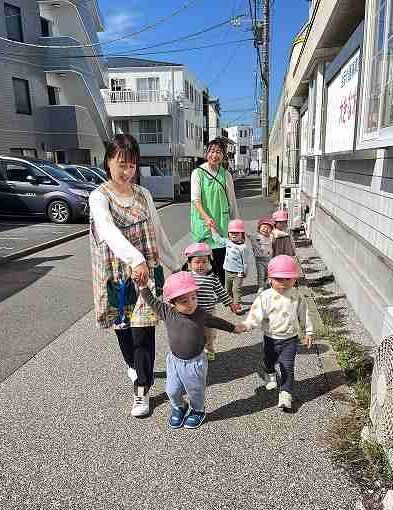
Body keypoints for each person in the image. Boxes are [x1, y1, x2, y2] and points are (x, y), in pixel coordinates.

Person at [89, 134, 180, 418]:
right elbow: (106, 230)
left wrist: (175, 264)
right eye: (121, 164)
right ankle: (134, 365)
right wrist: (134, 258)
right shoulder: (99, 196)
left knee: (143, 331)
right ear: (108, 162)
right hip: (117, 276)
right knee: (124, 329)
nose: (126, 170)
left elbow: (157, 232)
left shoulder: (144, 195)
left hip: (146, 276)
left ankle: (142, 388)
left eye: (131, 165)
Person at [138, 272, 245, 429]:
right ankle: (180, 406)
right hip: (174, 361)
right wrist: (142, 286)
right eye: (184, 301)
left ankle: (198, 410)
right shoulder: (167, 312)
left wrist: (234, 328)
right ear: (172, 302)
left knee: (195, 391)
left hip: (195, 362)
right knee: (172, 390)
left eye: (194, 298)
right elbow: (152, 301)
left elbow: (216, 321)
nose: (191, 304)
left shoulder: (200, 314)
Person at [242, 255, 313, 411]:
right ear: (270, 279)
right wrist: (246, 325)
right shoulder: (265, 296)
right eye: (279, 279)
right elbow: (256, 313)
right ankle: (270, 373)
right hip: (271, 338)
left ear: (295, 279)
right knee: (269, 360)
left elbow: (304, 313)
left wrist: (308, 331)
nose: (284, 283)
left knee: (287, 366)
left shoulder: (297, 295)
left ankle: (285, 394)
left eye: (288, 279)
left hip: (290, 339)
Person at [190, 137, 240, 285]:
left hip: (221, 222)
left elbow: (232, 201)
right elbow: (195, 200)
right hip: (203, 223)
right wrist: (206, 218)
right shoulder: (197, 173)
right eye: (212, 151)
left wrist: (236, 225)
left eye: (219, 152)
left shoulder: (226, 175)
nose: (214, 155)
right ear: (206, 153)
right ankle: (205, 288)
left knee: (221, 257)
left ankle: (222, 290)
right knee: (203, 258)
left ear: (223, 155)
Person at [183, 242, 240, 361]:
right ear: (189, 264)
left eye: (204, 261)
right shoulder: (187, 277)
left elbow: (221, 292)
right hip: (192, 313)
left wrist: (231, 304)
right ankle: (196, 350)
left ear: (209, 262)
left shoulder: (212, 277)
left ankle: (209, 349)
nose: (200, 265)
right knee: (194, 334)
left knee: (210, 334)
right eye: (196, 262)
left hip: (209, 313)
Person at [213, 219, 250, 314]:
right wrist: (212, 228)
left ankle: (237, 304)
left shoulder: (243, 247)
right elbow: (218, 239)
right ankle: (231, 301)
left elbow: (245, 261)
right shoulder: (227, 242)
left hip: (238, 272)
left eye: (237, 233)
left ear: (242, 234)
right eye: (231, 233)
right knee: (227, 289)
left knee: (236, 289)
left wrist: (245, 271)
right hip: (227, 271)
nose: (234, 235)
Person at [247, 217, 275, 292]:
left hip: (269, 259)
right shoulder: (256, 236)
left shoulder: (271, 237)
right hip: (259, 260)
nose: (265, 229)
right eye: (263, 227)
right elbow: (248, 235)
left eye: (268, 228)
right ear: (259, 228)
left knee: (268, 273)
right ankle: (261, 286)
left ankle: (265, 283)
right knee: (261, 274)